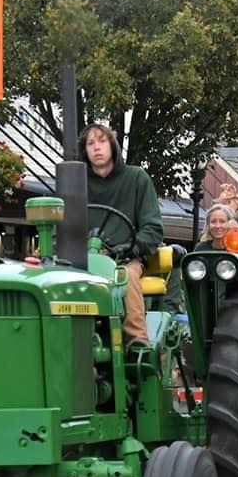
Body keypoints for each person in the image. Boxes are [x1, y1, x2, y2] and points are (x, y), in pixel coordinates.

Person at [81, 123, 163, 350]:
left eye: (102, 141)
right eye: (90, 143)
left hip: (124, 258)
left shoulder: (136, 178)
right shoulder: (77, 183)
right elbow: (63, 226)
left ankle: (137, 341)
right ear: (85, 151)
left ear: (113, 146)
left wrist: (129, 248)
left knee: (124, 277)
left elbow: (153, 228)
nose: (96, 147)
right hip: (83, 259)